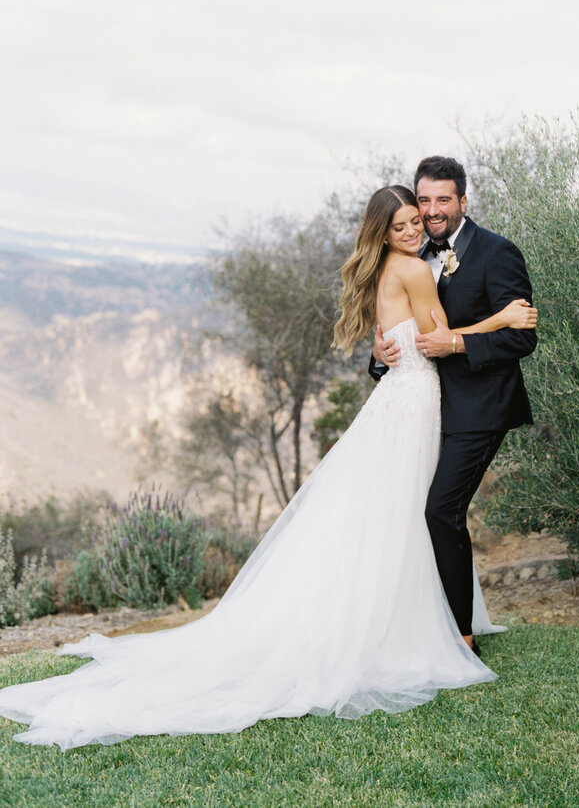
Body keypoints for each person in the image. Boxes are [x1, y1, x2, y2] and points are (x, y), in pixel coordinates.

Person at [0, 185, 536, 750]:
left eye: (416, 220)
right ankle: (410, 627)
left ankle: (406, 618)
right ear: (384, 230)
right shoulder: (415, 268)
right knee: (409, 512)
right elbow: (433, 340)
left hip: (409, 402)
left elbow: (409, 336)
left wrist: (401, 345)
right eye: (402, 222)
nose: (413, 228)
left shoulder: (390, 268)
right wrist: (497, 317)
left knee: (398, 512)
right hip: (416, 397)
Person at [371, 156, 537, 654]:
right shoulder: (416, 255)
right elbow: (407, 331)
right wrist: (380, 357)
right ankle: (427, 620)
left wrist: (460, 345)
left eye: (443, 199)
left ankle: (461, 635)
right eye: (424, 200)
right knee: (421, 512)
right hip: (427, 405)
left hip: (482, 408)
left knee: (441, 510)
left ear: (463, 200)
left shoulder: (497, 253)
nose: (432, 209)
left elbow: (523, 339)